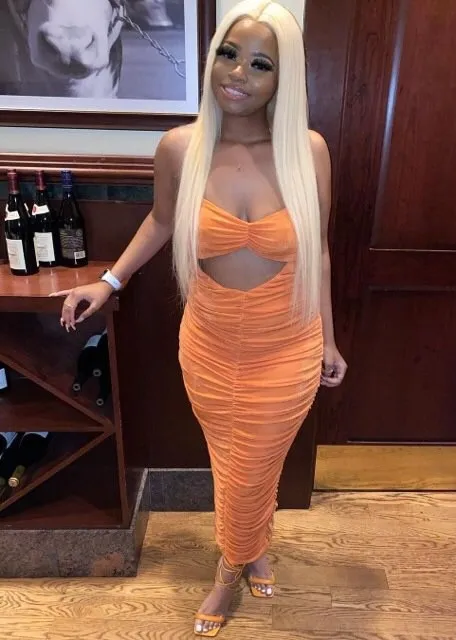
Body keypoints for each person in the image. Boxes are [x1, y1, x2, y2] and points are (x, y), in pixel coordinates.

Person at [51, 1, 347, 636]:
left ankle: (228, 567)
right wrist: (108, 281)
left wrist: (329, 338)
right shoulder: (181, 148)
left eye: (261, 64)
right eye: (228, 55)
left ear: (285, 78)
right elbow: (162, 220)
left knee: (257, 461)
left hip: (287, 343)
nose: (238, 73)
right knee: (232, 461)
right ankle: (253, 547)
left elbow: (319, 249)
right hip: (210, 343)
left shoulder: (309, 152)